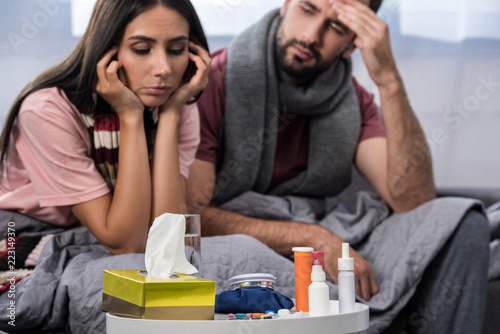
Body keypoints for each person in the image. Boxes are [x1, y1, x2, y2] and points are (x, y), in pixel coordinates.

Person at [187, 0, 490, 332]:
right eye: (307, 8)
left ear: (352, 44)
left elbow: (413, 202)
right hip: (261, 239)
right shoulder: (213, 81)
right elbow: (193, 214)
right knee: (240, 257)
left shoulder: (353, 100)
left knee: (461, 220)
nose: (310, 36)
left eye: (336, 27)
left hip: (336, 233)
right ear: (287, 4)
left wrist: (388, 79)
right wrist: (313, 238)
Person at [0, 0, 211, 255]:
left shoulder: (176, 101)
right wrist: (130, 115)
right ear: (107, 51)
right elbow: (129, 246)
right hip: (28, 231)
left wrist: (170, 115)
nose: (163, 70)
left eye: (176, 49)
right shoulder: (47, 111)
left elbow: (167, 238)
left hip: (115, 231)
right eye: (142, 49)